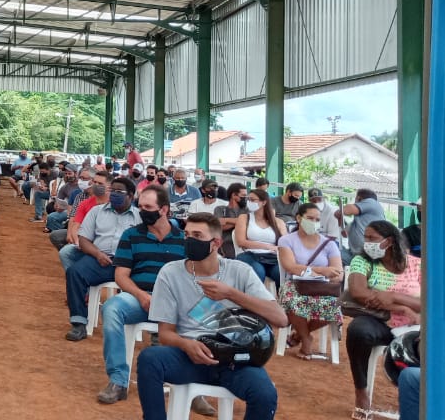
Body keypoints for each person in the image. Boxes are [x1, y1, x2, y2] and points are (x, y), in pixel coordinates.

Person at [135, 213, 288, 420]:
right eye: (187, 234)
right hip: (191, 357)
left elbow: (280, 319)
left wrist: (231, 293)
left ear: (215, 243)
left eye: (197, 235)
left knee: (265, 394)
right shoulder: (170, 273)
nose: (190, 240)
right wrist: (186, 345)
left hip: (234, 360)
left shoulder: (240, 271)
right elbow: (165, 334)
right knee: (149, 359)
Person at [97, 185, 186, 404]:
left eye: (148, 207)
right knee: (112, 308)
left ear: (164, 209)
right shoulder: (131, 235)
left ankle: (190, 385)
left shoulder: (184, 239)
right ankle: (118, 380)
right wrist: (141, 295)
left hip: (174, 305)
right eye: (140, 206)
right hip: (140, 299)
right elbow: (121, 276)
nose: (142, 210)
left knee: (203, 315)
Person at [344, 220, 421, 416]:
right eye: (365, 237)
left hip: (415, 325)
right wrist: (402, 308)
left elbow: (432, 304)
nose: (366, 242)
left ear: (388, 241)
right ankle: (361, 391)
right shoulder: (362, 261)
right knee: (357, 330)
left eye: (372, 238)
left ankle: (419, 395)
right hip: (381, 320)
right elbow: (359, 293)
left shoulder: (416, 265)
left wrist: (395, 296)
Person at [64, 175, 141, 341]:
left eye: (119, 192)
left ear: (131, 196)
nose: (114, 195)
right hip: (101, 260)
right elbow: (83, 239)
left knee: (151, 280)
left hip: (129, 265)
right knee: (74, 272)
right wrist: (97, 254)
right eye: (112, 191)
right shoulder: (97, 211)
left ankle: (152, 329)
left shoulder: (140, 217)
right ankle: (78, 323)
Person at [275, 203, 343, 361]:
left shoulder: (329, 243)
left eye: (317, 219)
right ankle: (306, 339)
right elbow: (291, 267)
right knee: (291, 299)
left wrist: (327, 274)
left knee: (335, 304)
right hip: (296, 284)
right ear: (299, 218)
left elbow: (338, 273)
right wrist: (322, 270)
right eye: (310, 218)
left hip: (322, 287)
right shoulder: (286, 240)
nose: (314, 222)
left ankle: (300, 334)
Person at [234, 188, 287, 286]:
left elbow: (285, 243)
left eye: (253, 200)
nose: (249, 202)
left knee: (280, 274)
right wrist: (268, 247)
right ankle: (255, 300)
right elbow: (241, 242)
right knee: (258, 271)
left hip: (273, 257)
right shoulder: (244, 218)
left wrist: (274, 249)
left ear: (264, 202)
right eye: (248, 199)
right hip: (250, 254)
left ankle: (280, 300)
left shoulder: (278, 222)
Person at [342, 188, 387, 261]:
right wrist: (340, 219)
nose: (355, 202)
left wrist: (339, 212)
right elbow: (344, 233)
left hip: (368, 255)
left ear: (359, 198)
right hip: (355, 254)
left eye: (355, 199)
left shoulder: (372, 202)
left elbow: (346, 210)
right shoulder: (360, 220)